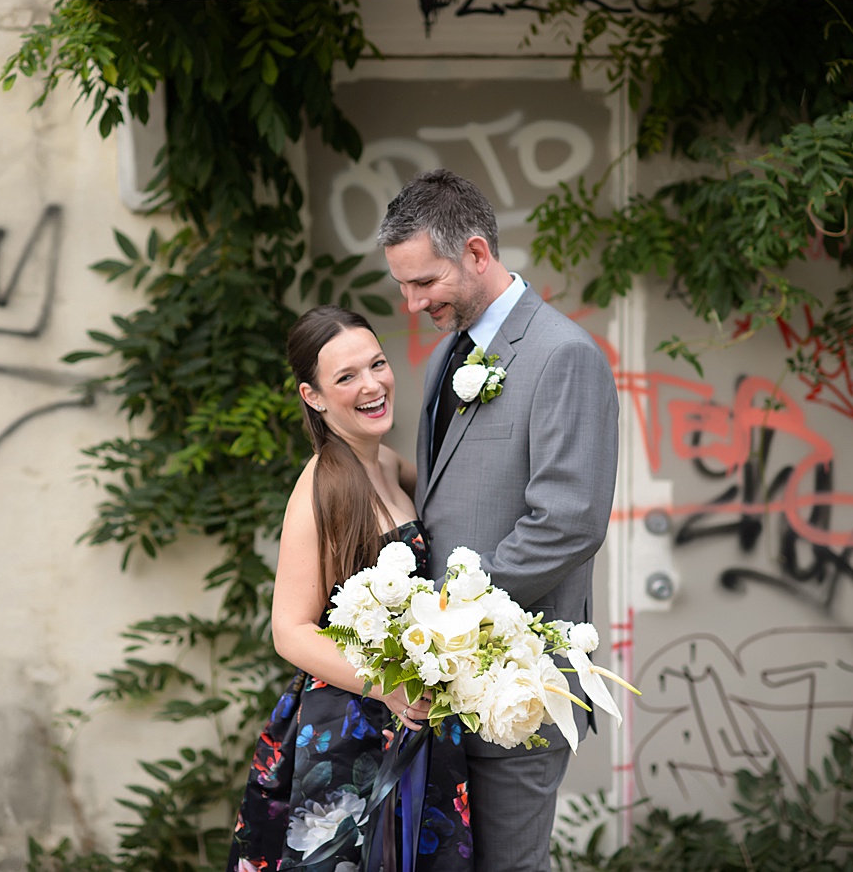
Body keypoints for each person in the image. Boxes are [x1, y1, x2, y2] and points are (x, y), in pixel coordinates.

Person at [378, 170, 619, 872]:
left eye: (424, 283)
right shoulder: (445, 358)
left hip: (516, 682)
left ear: (477, 254)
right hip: (448, 678)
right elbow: (460, 497)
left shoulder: (562, 355)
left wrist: (451, 617)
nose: (412, 302)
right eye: (403, 286)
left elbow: (569, 521)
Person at [227, 305, 475, 872]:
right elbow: (289, 630)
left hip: (412, 718)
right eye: (346, 377)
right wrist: (386, 684)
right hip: (351, 730)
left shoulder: (387, 464)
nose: (372, 385)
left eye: (378, 364)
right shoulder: (322, 486)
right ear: (313, 396)